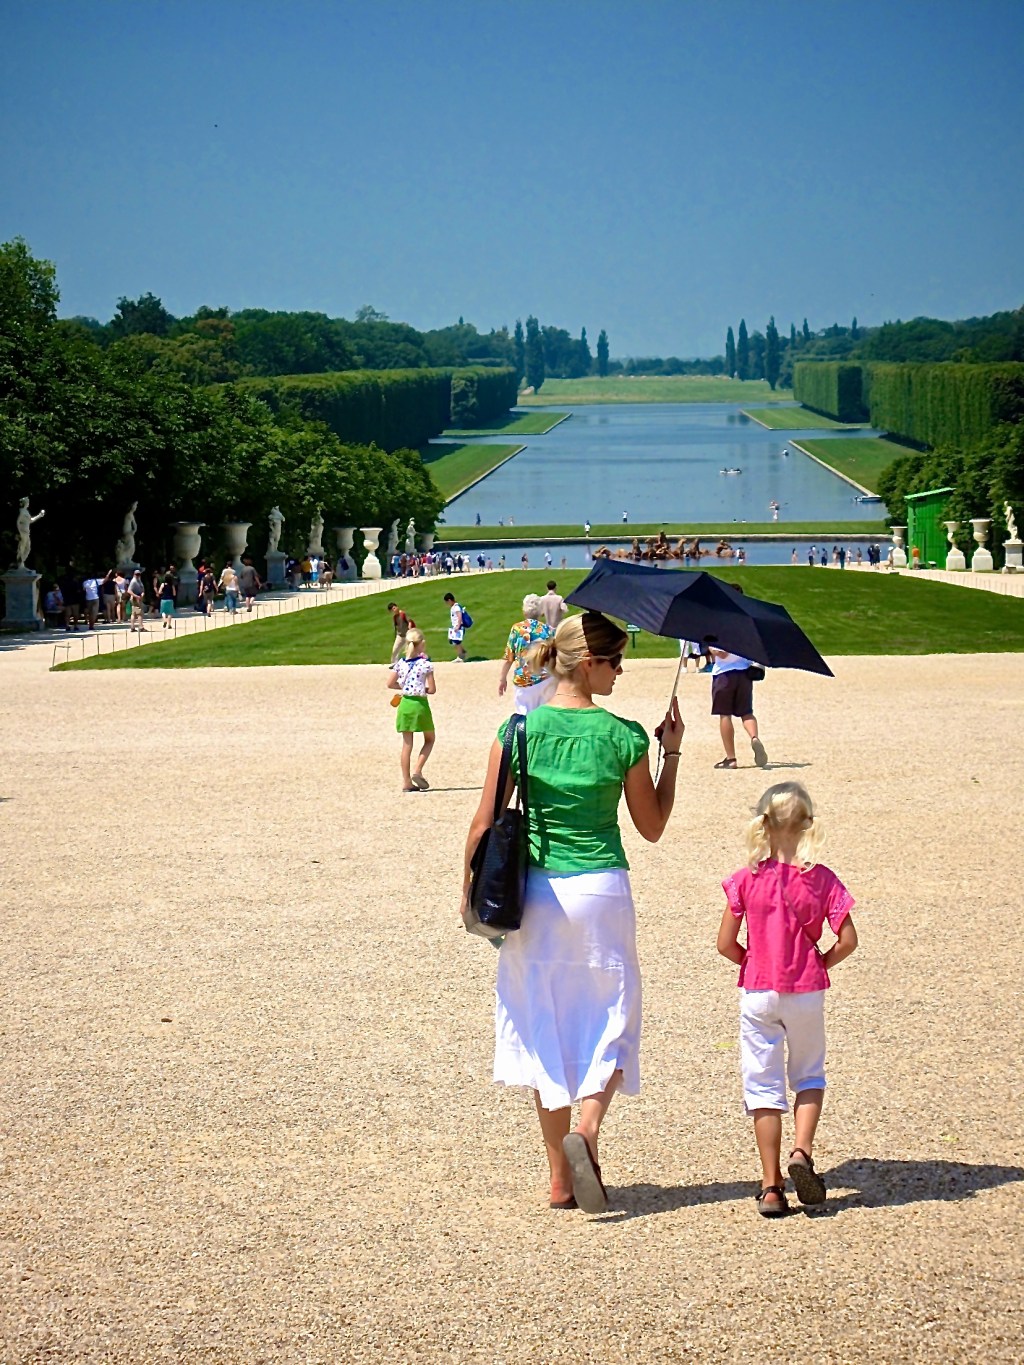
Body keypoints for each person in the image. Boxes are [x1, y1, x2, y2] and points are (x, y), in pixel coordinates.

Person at [462, 612, 684, 1214]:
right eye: (615, 662)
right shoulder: (623, 734)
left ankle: (560, 1180)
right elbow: (652, 826)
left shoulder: (517, 731)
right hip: (600, 888)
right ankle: (585, 1130)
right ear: (589, 663)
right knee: (613, 1016)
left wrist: (468, 896)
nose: (620, 672)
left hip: (533, 893)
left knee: (545, 1022)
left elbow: (483, 824)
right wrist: (672, 755)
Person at [716, 782, 858, 1217]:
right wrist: (819, 964)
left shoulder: (746, 878)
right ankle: (802, 1151)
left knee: (762, 1085)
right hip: (806, 992)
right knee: (809, 1075)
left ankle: (771, 1185)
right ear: (807, 825)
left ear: (762, 823)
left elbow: (724, 943)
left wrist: (751, 963)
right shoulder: (821, 879)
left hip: (759, 990)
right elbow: (848, 940)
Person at [386, 627, 435, 792]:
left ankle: (406, 782)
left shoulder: (400, 664)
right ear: (422, 644)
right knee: (429, 739)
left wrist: (405, 687)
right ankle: (418, 770)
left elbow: (390, 683)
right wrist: (421, 688)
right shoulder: (425, 665)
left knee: (407, 745)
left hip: (405, 703)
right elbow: (433, 689)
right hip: (419, 704)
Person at [710, 629, 767, 770]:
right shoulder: (746, 630)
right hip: (744, 674)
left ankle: (731, 759)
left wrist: (710, 647)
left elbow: (722, 654)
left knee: (725, 715)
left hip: (724, 675)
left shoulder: (721, 629)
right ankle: (754, 738)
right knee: (746, 712)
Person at [498, 595, 557, 713]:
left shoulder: (517, 629)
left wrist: (502, 679)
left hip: (523, 680)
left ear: (524, 611)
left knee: (524, 713)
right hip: (545, 678)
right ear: (540, 612)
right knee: (544, 713)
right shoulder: (548, 630)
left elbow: (509, 657)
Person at [443, 592, 467, 661]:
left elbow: (460, 616)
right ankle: (463, 652)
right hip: (455, 627)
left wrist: (458, 626)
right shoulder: (454, 607)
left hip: (458, 627)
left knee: (456, 642)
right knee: (454, 641)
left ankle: (460, 656)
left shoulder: (456, 607)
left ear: (450, 600)